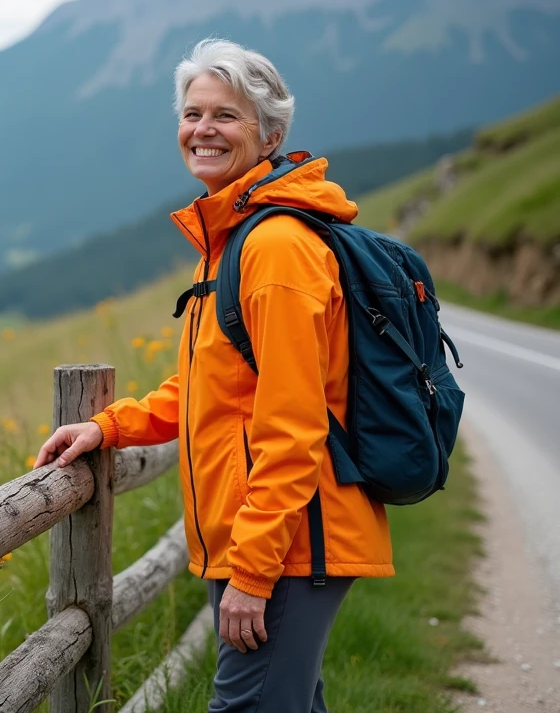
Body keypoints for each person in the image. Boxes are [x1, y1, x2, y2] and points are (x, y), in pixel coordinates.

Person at [33, 38, 393, 712]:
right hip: (266, 539)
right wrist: (108, 426)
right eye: (192, 113)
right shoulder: (236, 235)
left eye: (226, 115)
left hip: (288, 545)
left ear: (272, 134)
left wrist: (253, 574)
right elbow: (213, 389)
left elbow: (292, 427)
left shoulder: (275, 249)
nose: (202, 129)